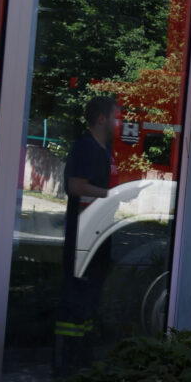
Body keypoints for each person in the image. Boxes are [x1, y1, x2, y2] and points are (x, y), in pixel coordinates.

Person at [54, 96, 118, 359]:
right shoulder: (85, 147)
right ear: (102, 119)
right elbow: (76, 186)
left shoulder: (104, 149)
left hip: (98, 234)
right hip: (83, 235)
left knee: (91, 292)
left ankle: (82, 352)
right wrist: (111, 195)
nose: (120, 122)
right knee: (77, 293)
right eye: (116, 116)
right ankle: (67, 357)